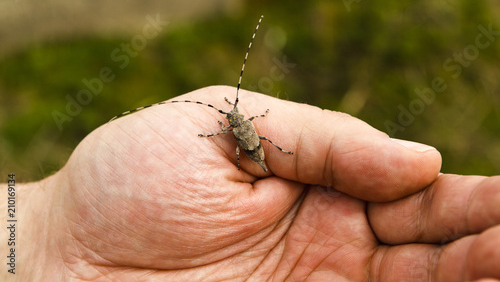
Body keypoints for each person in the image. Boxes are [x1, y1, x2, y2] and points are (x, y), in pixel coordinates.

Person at [1, 86, 499, 281]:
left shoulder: (243, 127)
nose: (232, 116)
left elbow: (243, 135)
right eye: (230, 114)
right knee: (259, 149)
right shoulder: (235, 125)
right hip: (253, 152)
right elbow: (234, 131)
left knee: (266, 150)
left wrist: (38, 236)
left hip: (258, 153)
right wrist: (45, 233)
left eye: (234, 113)